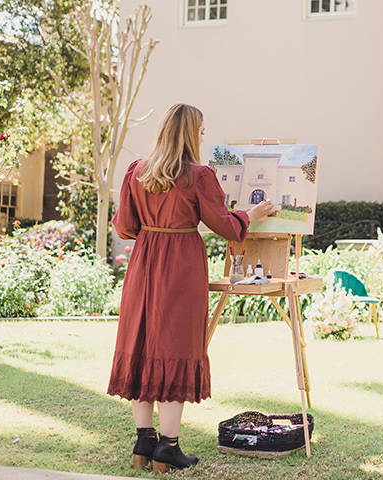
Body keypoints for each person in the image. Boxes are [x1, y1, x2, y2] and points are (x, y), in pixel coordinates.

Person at [107, 103, 276, 473]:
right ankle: (168, 447)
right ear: (188, 134)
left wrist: (154, 231)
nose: (203, 137)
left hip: (143, 263)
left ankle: (144, 440)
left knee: (140, 343)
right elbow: (225, 225)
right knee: (174, 347)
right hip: (181, 266)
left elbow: (123, 226)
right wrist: (252, 214)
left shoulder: (137, 170)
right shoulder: (198, 175)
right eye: (200, 131)